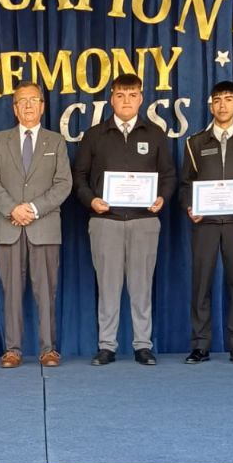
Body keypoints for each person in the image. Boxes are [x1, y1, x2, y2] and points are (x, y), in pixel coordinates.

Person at [73, 73, 176, 365]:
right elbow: (79, 176)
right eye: (120, 95)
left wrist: (162, 198)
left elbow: (169, 175)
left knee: (141, 286)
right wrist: (91, 200)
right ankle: (107, 346)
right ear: (111, 100)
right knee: (108, 287)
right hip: (105, 222)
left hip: (144, 221)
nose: (126, 101)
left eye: (132, 95)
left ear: (141, 98)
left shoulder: (155, 133)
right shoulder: (94, 135)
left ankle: (142, 345)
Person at [0, 82, 72, 368]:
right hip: (7, 226)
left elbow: (63, 184)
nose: (28, 105)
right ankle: (12, 350)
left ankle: (49, 349)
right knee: (11, 292)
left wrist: (33, 209)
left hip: (43, 227)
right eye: (22, 101)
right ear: (14, 108)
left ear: (43, 106)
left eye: (34, 100)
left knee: (46, 292)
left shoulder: (55, 141)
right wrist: (13, 208)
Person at [179, 80, 233, 365]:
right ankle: (200, 346)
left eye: (228, 99)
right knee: (201, 284)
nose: (222, 105)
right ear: (211, 106)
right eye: (217, 100)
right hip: (205, 224)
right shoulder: (194, 143)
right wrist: (190, 206)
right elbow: (186, 184)